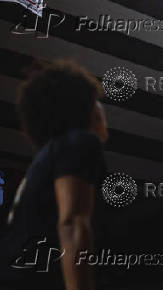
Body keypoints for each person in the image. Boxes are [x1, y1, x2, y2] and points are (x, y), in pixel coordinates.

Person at [0, 60, 107, 290]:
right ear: (85, 107)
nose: (101, 108)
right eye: (96, 102)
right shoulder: (80, 141)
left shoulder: (47, 160)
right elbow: (73, 222)